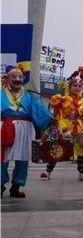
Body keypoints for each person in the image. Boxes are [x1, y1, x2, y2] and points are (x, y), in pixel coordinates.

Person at [2, 65, 52, 197]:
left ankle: (16, 187)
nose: (17, 80)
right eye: (14, 77)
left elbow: (40, 111)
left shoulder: (29, 96)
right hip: (5, 128)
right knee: (2, 158)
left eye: (20, 77)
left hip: (25, 129)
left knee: (23, 159)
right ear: (7, 79)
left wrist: (52, 121)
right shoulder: (1, 94)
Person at [41, 72, 83, 181]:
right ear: (69, 86)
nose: (77, 88)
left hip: (79, 128)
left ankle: (82, 174)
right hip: (63, 127)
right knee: (57, 149)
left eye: (79, 86)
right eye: (75, 85)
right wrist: (63, 128)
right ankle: (48, 172)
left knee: (82, 151)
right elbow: (58, 115)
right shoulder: (63, 99)